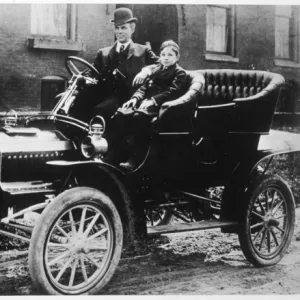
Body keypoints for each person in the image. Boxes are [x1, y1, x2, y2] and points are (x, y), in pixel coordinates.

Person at [106, 40, 187, 170]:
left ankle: (136, 159)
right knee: (120, 114)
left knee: (139, 117)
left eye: (170, 55)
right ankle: (114, 155)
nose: (166, 58)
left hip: (163, 107)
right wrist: (135, 98)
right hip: (145, 103)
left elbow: (172, 92)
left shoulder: (179, 73)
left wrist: (153, 100)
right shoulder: (156, 69)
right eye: (163, 54)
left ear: (177, 57)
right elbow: (144, 87)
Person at [75, 7, 159, 122]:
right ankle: (75, 136)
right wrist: (83, 78)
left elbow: (160, 64)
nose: (119, 31)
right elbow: (91, 72)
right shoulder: (103, 53)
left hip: (127, 98)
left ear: (132, 28)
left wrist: (146, 70)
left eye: (123, 28)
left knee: (101, 110)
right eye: (117, 28)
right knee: (77, 102)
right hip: (103, 94)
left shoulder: (143, 51)